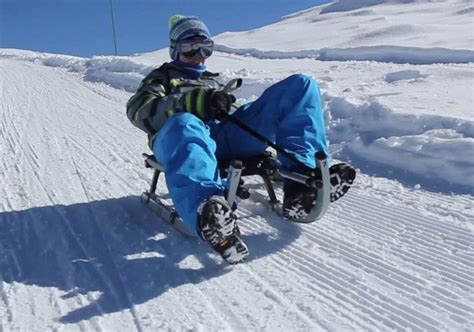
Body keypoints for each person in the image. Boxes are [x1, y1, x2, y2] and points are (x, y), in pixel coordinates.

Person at [126, 15, 355, 264]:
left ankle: (301, 185)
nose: (199, 55)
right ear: (175, 49)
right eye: (190, 48)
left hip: (226, 139)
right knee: (185, 122)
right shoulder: (161, 78)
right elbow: (139, 111)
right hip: (183, 140)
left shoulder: (215, 80)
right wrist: (192, 103)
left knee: (301, 85)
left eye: (206, 48)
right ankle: (209, 213)